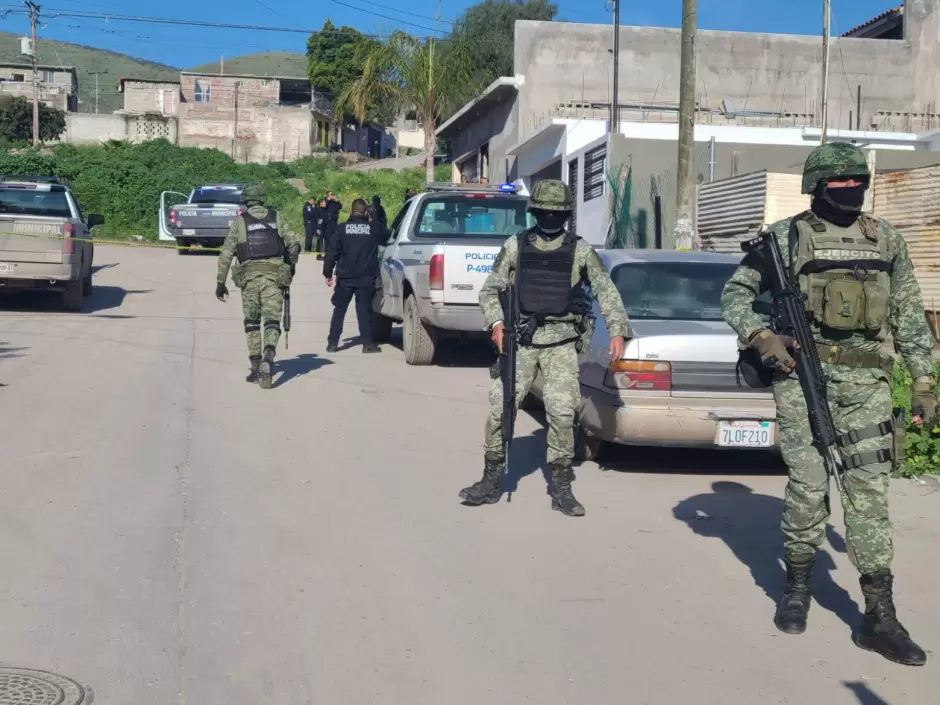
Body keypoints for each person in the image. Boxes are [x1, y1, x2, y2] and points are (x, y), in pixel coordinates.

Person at [720, 142, 937, 666]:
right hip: (802, 378)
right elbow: (734, 295)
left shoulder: (885, 237)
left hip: (868, 386)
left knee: (868, 497)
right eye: (839, 185)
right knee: (808, 489)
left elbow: (909, 314)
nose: (851, 192)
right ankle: (796, 586)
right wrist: (762, 338)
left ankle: (879, 616)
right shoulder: (784, 238)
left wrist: (925, 382)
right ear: (816, 187)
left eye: (857, 183)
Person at [458, 179, 632, 517]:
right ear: (535, 211)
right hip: (520, 342)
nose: (551, 218)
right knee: (500, 409)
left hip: (561, 343)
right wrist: (496, 324)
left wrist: (618, 331)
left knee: (562, 414)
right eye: (546, 212)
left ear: (565, 215)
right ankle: (491, 480)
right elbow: (490, 289)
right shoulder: (516, 246)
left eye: (557, 213)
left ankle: (562, 487)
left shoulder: (579, 249)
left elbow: (605, 290)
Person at [216, 183, 301, 389]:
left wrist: (220, 282)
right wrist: (291, 265)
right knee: (272, 321)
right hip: (274, 278)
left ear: (246, 200)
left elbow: (227, 253)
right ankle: (268, 357)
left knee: (252, 323)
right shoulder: (277, 216)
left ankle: (255, 368)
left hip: (249, 280)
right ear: (263, 198)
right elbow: (294, 243)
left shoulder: (240, 222)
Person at [323, 198, 387, 354]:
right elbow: (387, 235)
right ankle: (367, 344)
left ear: (351, 211)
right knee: (364, 310)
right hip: (366, 277)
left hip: (345, 277)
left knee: (339, 310)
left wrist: (327, 272)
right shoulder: (373, 228)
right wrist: (373, 219)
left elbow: (332, 253)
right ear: (366, 213)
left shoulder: (341, 229)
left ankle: (332, 343)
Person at [323, 190, 343, 256]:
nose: (332, 195)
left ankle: (334, 251)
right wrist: (329, 199)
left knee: (335, 236)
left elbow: (340, 206)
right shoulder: (325, 200)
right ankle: (327, 252)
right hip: (329, 220)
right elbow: (323, 206)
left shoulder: (335, 201)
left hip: (335, 220)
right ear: (327, 195)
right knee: (328, 236)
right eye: (331, 194)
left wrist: (337, 201)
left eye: (333, 194)